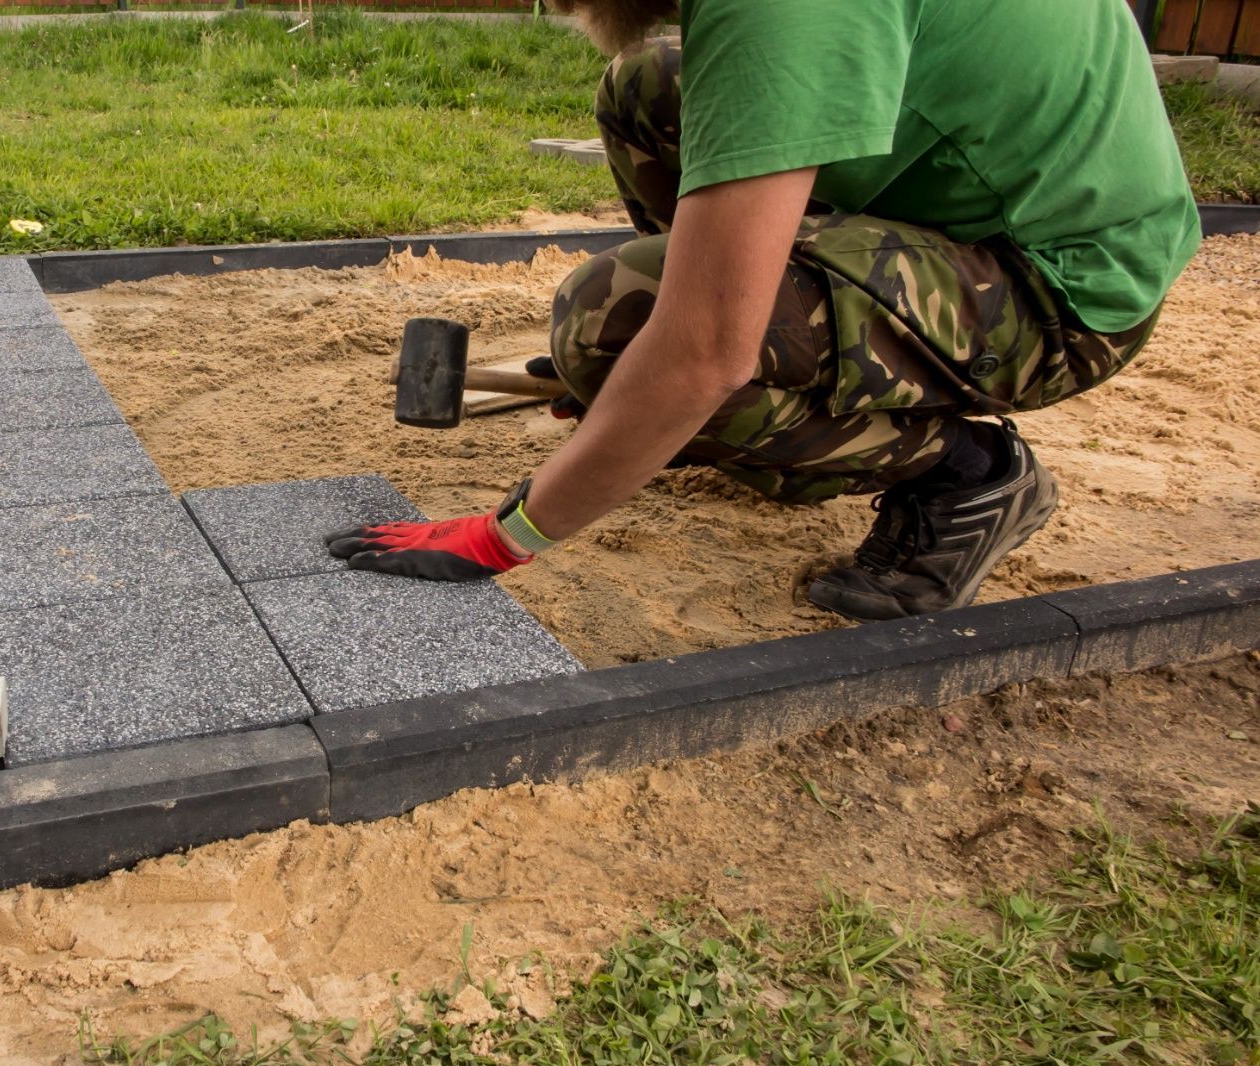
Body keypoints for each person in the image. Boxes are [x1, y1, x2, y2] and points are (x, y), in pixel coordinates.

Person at [326, 0, 1200, 621]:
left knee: (614, 319)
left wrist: (504, 536)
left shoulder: (779, 9)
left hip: (1066, 288)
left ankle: (966, 473)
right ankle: (736, 359)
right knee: (649, 90)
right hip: (971, 198)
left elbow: (703, 354)